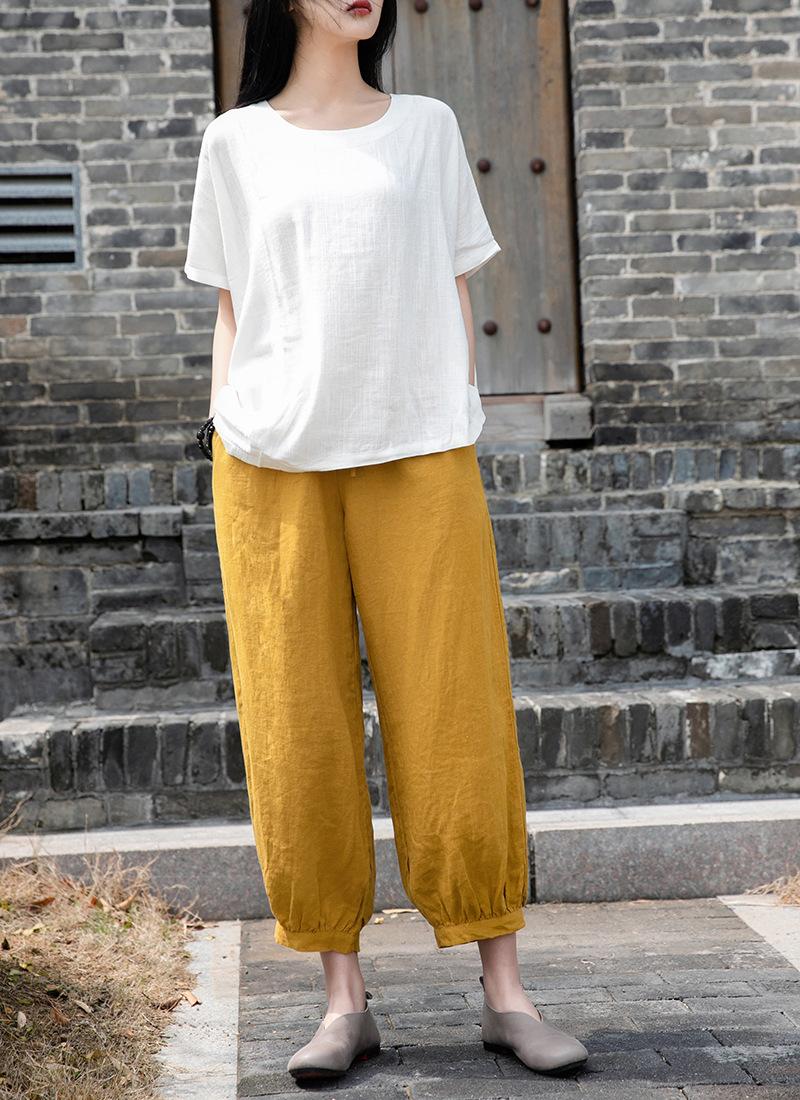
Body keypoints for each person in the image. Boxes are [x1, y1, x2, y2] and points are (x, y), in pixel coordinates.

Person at [184, 0, 588, 1084]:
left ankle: (505, 994)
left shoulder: (426, 126)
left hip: (417, 451)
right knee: (297, 726)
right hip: (271, 465)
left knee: (458, 712)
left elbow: (454, 283)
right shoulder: (236, 142)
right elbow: (232, 303)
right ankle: (340, 1000)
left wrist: (455, 404)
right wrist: (225, 416)